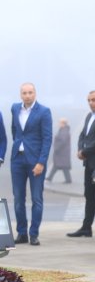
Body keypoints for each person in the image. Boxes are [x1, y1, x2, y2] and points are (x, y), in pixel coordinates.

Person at [11, 83, 53, 246]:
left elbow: (47, 138)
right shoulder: (15, 108)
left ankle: (33, 234)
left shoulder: (43, 111)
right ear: (20, 95)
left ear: (35, 93)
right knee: (18, 199)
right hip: (17, 159)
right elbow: (15, 130)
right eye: (24, 93)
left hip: (36, 161)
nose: (27, 95)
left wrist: (41, 162)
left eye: (30, 92)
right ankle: (21, 233)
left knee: (37, 199)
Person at [67, 91, 95, 238]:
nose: (91, 102)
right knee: (89, 195)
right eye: (89, 100)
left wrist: (85, 151)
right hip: (89, 163)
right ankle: (86, 228)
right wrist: (81, 149)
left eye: (94, 100)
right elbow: (83, 135)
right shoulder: (89, 115)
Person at [47, 118, 72, 183]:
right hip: (62, 152)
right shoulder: (64, 130)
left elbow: (62, 141)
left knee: (63, 166)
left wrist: (56, 148)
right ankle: (50, 177)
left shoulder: (64, 131)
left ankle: (68, 180)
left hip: (62, 152)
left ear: (63, 124)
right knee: (57, 165)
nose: (59, 124)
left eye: (60, 123)